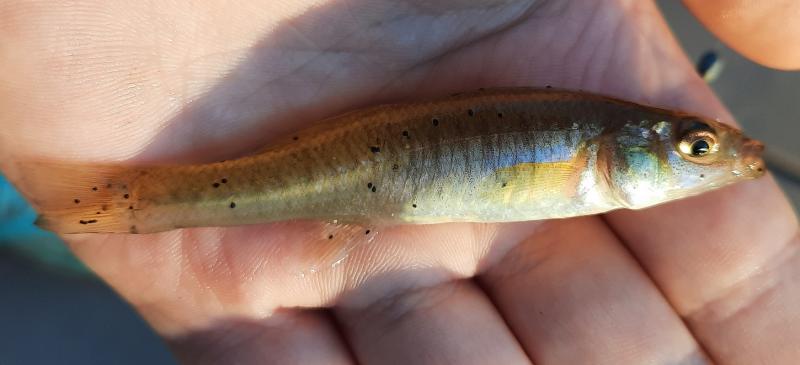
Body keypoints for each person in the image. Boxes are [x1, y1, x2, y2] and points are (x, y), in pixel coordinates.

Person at [1, 0, 799, 363]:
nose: (715, 159)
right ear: (626, 146)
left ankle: (88, 212)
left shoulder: (597, 136)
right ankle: (116, 206)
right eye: (696, 147)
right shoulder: (592, 138)